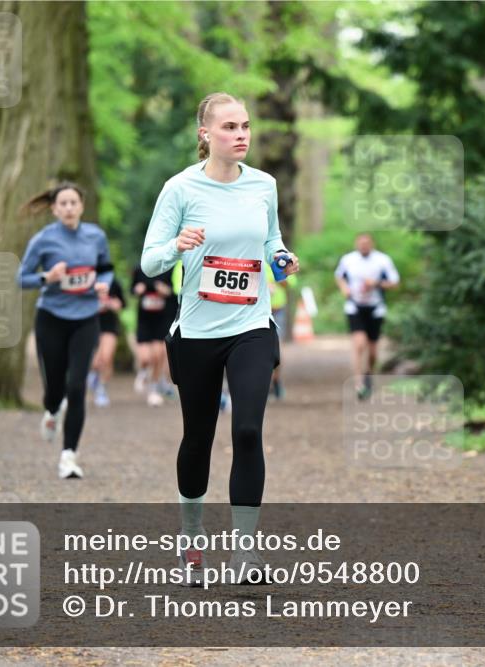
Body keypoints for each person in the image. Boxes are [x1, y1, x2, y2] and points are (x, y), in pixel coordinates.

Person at [141, 92, 300, 585]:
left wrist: (281, 259)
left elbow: (270, 240)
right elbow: (149, 262)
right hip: (197, 332)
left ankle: (245, 555)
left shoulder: (264, 186)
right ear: (205, 134)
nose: (242, 135)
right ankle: (191, 541)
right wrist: (177, 245)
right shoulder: (180, 189)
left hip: (251, 326)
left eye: (246, 126)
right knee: (198, 438)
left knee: (248, 430)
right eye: (230, 126)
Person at [17, 182, 113, 479]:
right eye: (64, 203)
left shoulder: (95, 236)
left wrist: (103, 285)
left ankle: (69, 456)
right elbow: (22, 278)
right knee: (55, 387)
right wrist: (48, 276)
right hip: (52, 319)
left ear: (82, 206)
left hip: (85, 318)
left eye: (74, 202)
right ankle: (52, 409)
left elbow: (106, 268)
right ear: (54, 209)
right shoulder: (43, 240)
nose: (69, 208)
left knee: (77, 387)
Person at [335, 233, 400, 400]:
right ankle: (359, 384)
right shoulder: (348, 259)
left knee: (372, 352)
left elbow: (394, 283)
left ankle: (368, 373)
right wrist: (344, 289)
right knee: (359, 344)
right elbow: (339, 277)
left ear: (372, 244)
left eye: (366, 243)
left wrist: (376, 284)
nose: (363, 246)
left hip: (375, 308)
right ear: (356, 244)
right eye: (360, 243)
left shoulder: (383, 260)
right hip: (354, 307)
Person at [130, 265, 178, 406]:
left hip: (161, 319)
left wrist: (165, 291)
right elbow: (132, 289)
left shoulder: (169, 269)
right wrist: (137, 290)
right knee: (145, 358)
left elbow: (174, 292)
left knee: (158, 356)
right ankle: (143, 372)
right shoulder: (140, 269)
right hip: (144, 320)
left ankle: (154, 388)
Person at [88, 275, 126, 407]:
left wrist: (112, 304)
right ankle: (93, 376)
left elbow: (122, 304)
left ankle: (101, 389)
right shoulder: (86, 280)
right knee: (94, 362)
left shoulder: (114, 282)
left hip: (109, 326)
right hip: (90, 325)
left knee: (107, 357)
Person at [265, 262, 295, 400]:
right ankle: (266, 383)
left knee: (275, 349)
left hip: (277, 310)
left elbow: (291, 283)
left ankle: (276, 380)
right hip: (257, 311)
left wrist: (277, 279)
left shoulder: (279, 258)